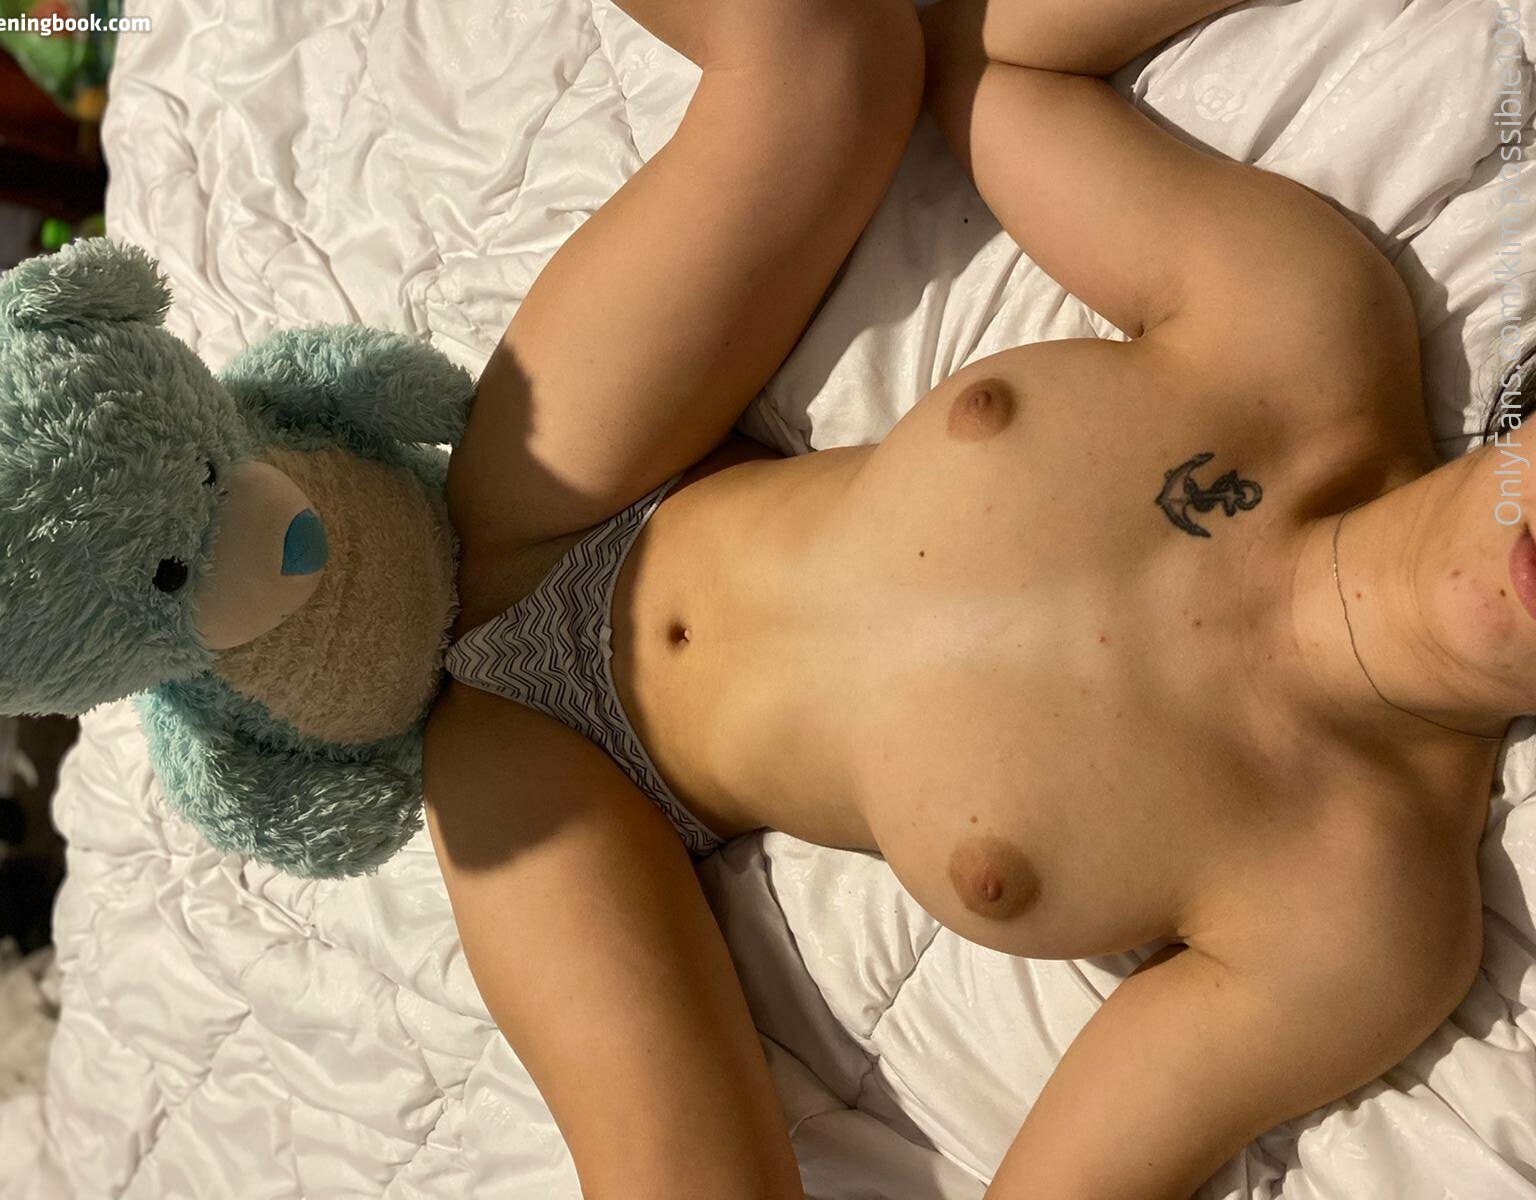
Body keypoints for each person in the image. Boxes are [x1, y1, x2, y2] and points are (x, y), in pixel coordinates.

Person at [423, 1, 1505, 1196]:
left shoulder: (1363, 918)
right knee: (828, 46)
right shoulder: (1306, 322)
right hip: (580, 484)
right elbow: (1000, 60)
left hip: (575, 789)